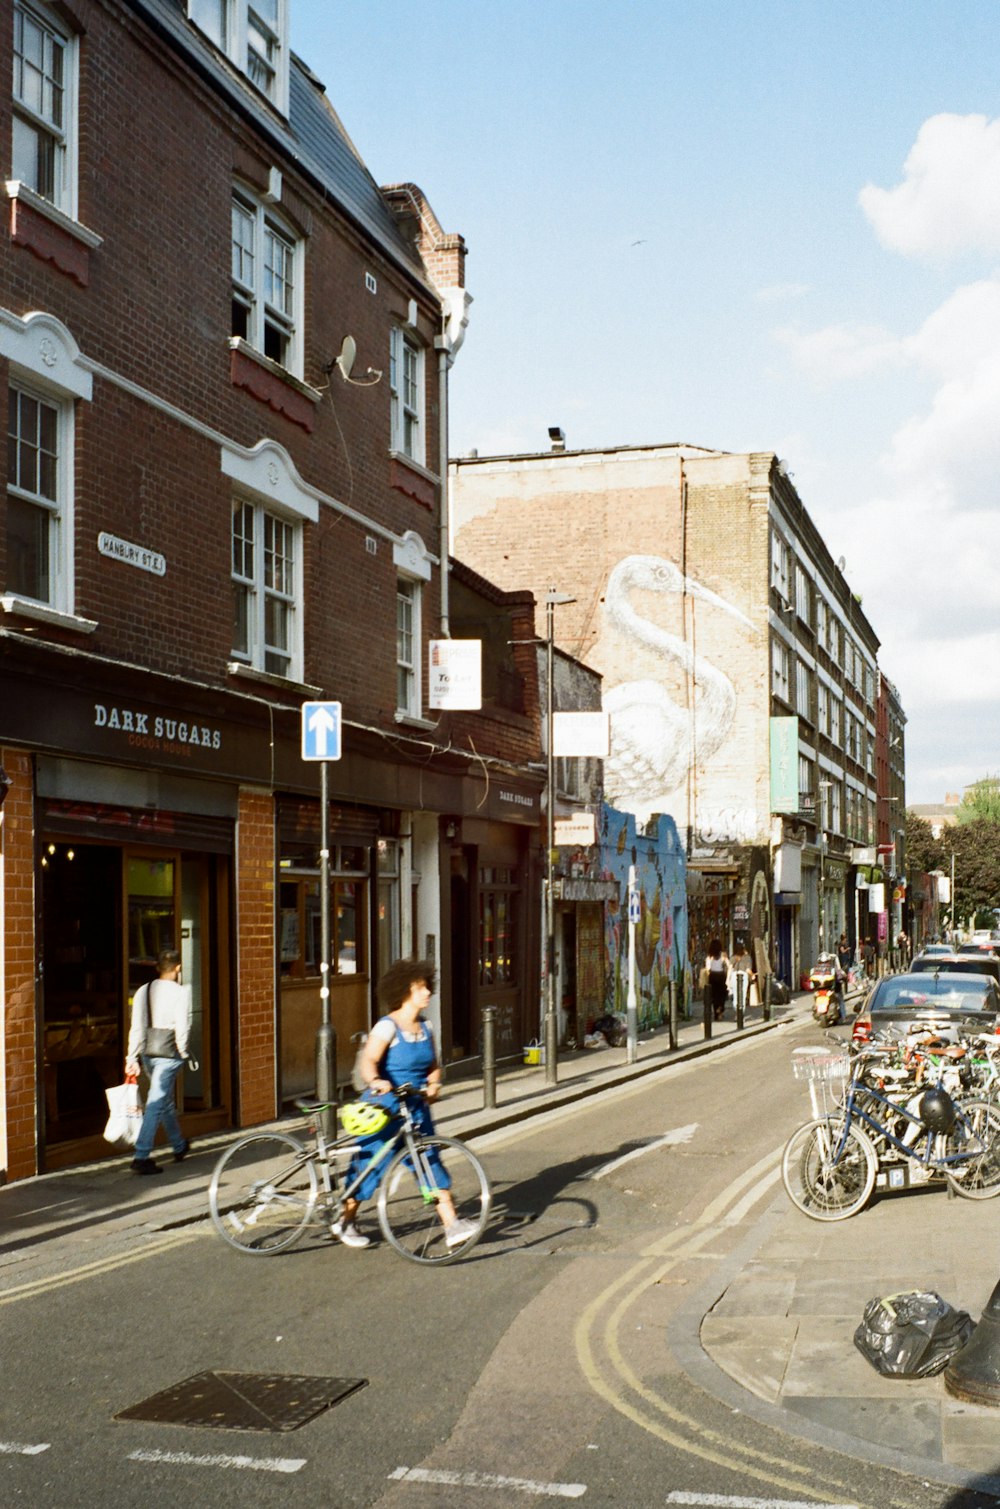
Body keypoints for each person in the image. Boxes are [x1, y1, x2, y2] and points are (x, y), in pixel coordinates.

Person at [333, 958, 477, 1250]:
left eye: (427, 987)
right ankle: (345, 1221)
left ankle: (452, 1225)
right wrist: (376, 1080)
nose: (427, 993)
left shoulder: (426, 1026)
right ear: (404, 991)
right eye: (421, 988)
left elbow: (434, 1065)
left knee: (429, 1160)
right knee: (370, 1166)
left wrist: (435, 1083)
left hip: (416, 1108)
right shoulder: (387, 1026)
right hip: (384, 1108)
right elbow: (369, 1062)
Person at [125, 948, 194, 1175]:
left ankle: (179, 1145)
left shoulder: (143, 991)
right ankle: (141, 1155)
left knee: (163, 1101)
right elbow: (183, 1025)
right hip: (169, 1053)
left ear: (157, 968)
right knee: (156, 1102)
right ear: (178, 968)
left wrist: (131, 1056)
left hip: (148, 1053)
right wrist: (183, 1051)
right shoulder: (181, 992)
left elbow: (136, 1027)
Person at [705, 938, 730, 1021]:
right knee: (721, 995)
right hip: (721, 976)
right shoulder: (723, 955)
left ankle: (716, 1013)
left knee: (714, 996)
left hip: (712, 976)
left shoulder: (709, 956)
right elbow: (729, 964)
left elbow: (708, 968)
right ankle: (721, 1009)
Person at [728, 941, 755, 1010]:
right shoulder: (747, 957)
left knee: (735, 994)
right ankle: (741, 1013)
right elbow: (748, 970)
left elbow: (730, 968)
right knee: (743, 994)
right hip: (743, 976)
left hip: (734, 975)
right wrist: (752, 975)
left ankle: (736, 1010)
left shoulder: (733, 957)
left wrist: (728, 979)